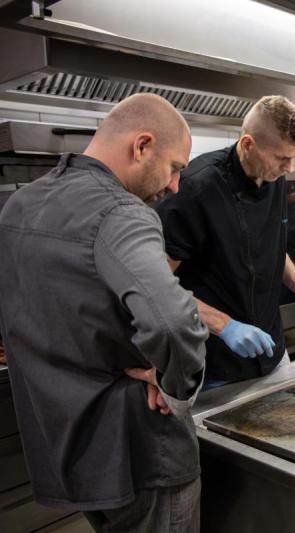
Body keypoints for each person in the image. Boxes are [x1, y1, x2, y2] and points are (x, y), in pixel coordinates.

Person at [0, 93, 209, 532]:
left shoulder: (19, 205)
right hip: (142, 454)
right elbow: (172, 321)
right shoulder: (121, 213)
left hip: (72, 452)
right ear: (142, 146)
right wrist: (175, 388)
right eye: (175, 168)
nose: (174, 186)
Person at [156, 95, 295, 389]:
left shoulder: (274, 179)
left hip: (273, 353)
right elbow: (156, 285)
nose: (289, 168)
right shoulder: (195, 189)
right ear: (248, 144)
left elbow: (271, 247)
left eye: (294, 157)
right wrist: (224, 326)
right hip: (215, 365)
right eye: (281, 158)